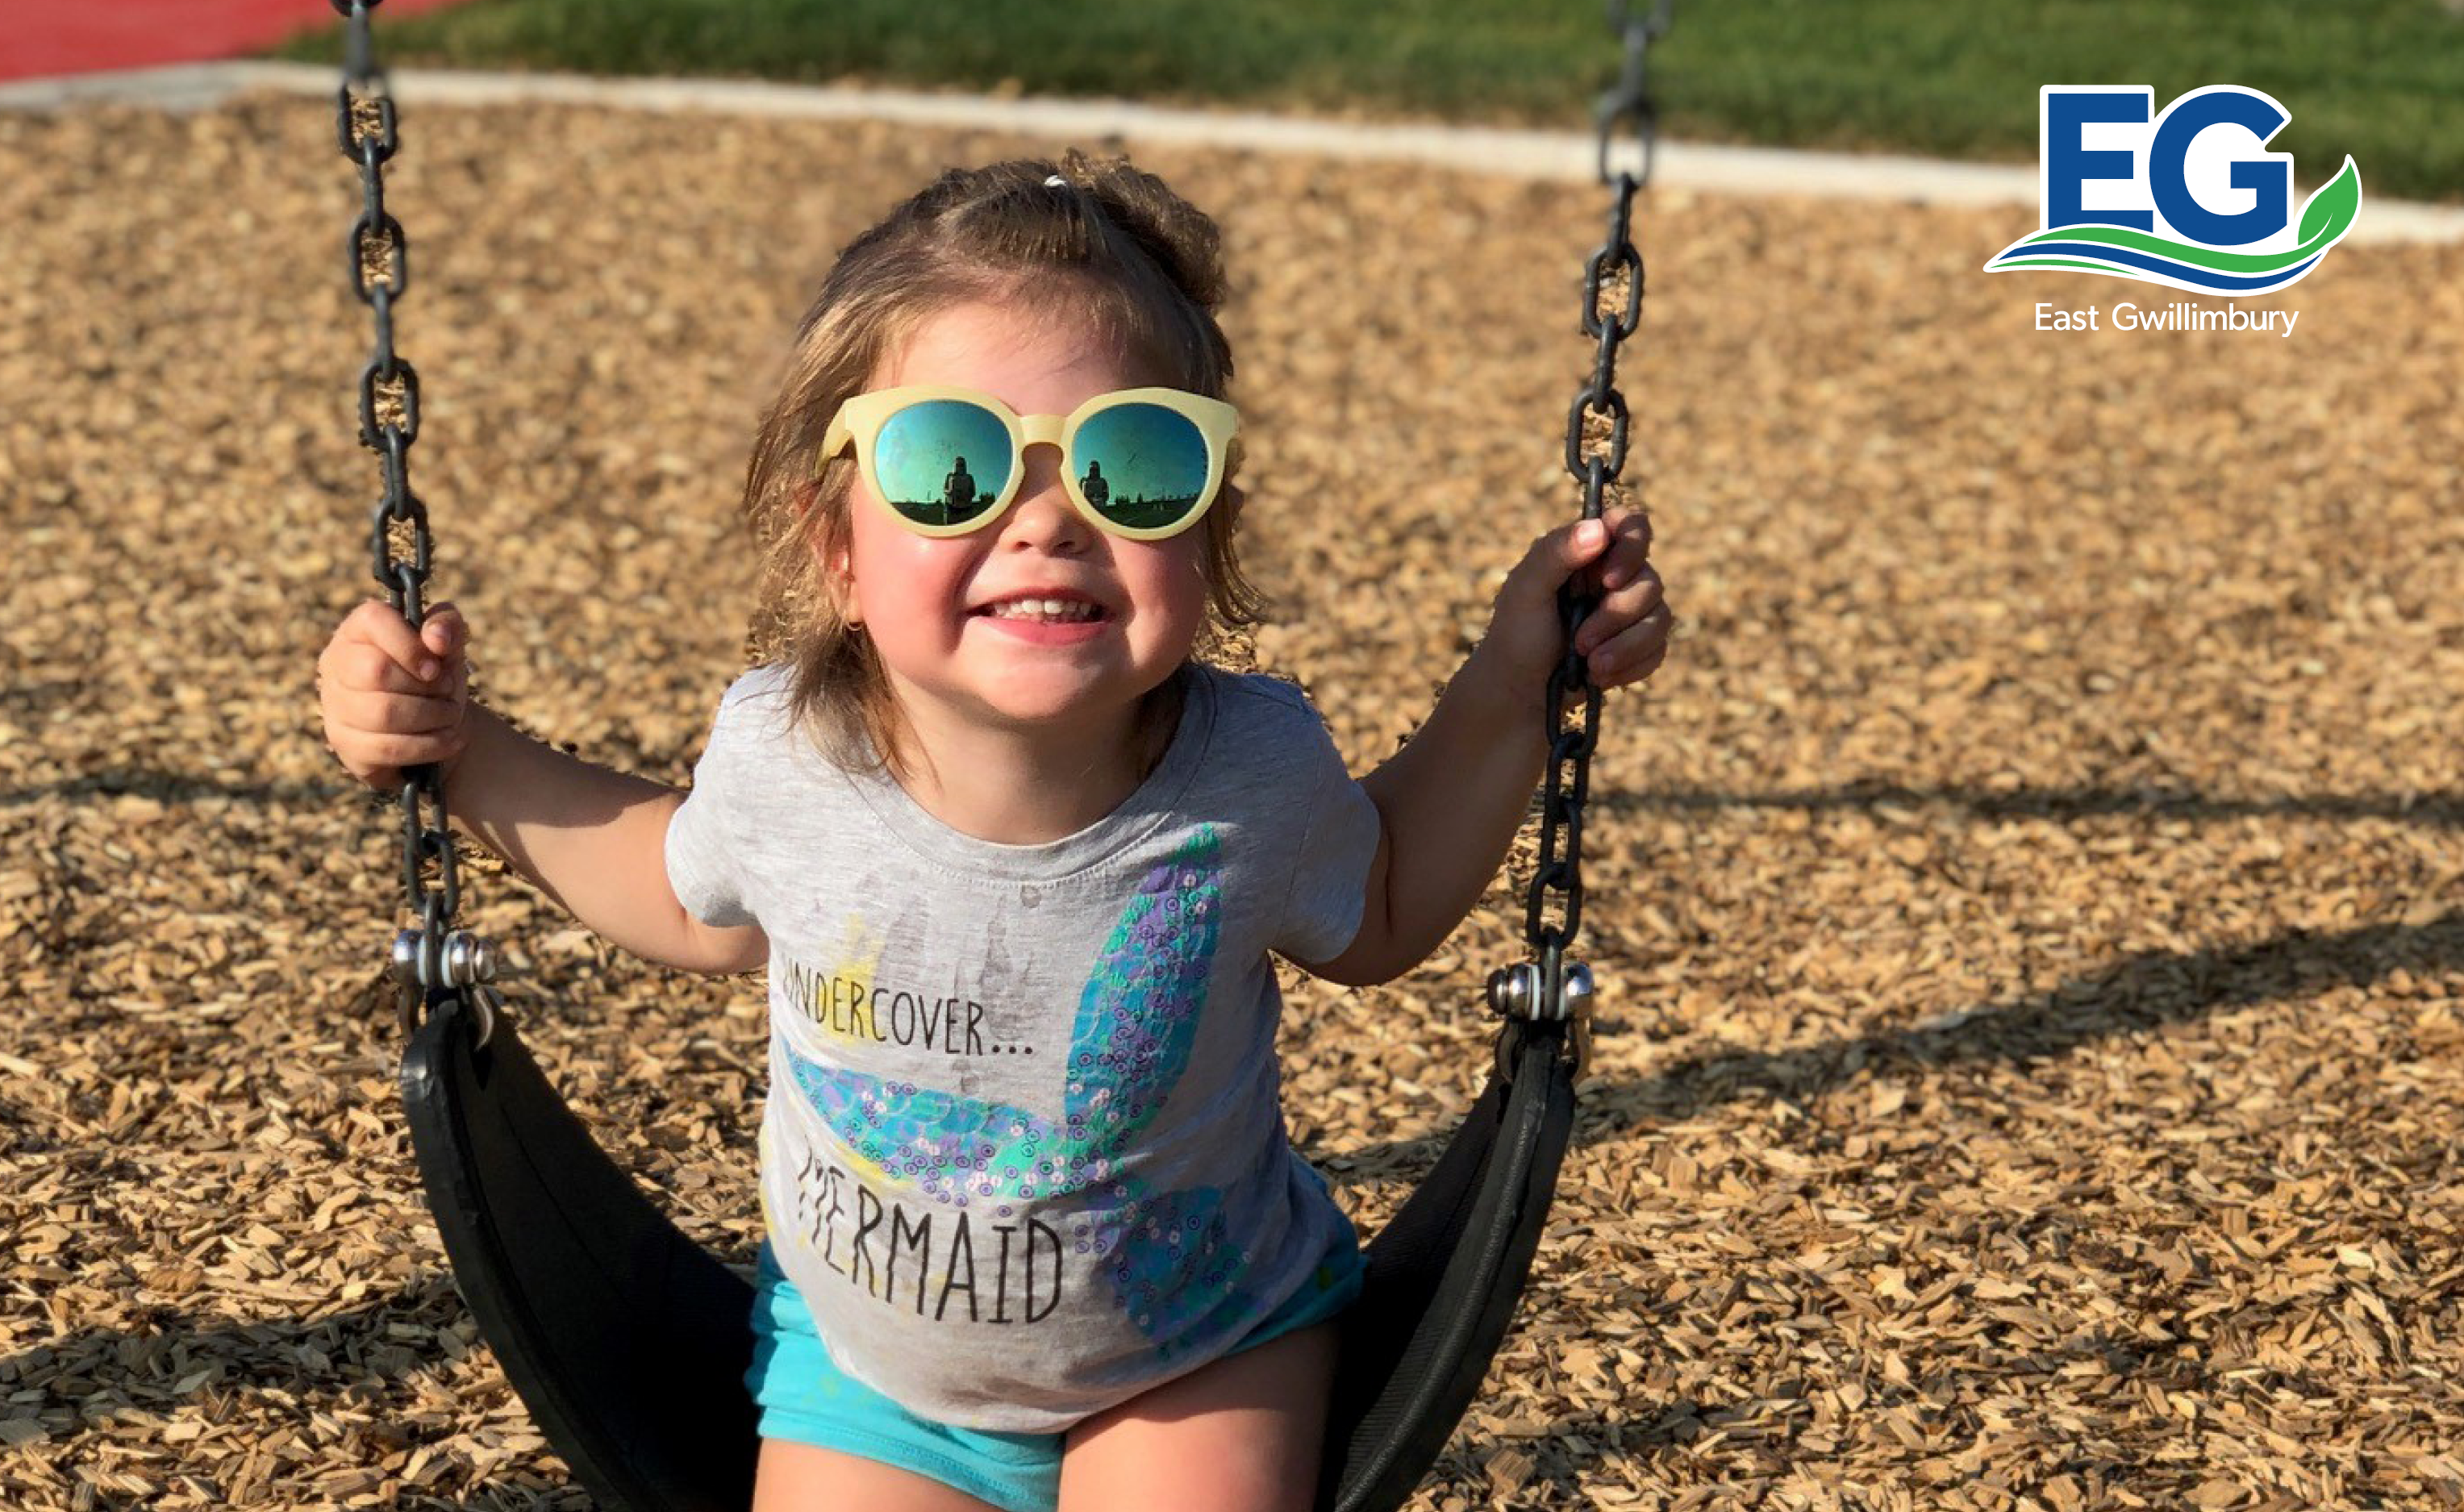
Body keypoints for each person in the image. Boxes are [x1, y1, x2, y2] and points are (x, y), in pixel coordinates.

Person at [316, 152, 1671, 1512]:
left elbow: (1376, 914)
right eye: (945, 463)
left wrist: (1513, 679)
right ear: (837, 544)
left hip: (1198, 1348)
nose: (1044, 520)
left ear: (1210, 530)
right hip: (870, 1384)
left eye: (1133, 461)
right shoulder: (789, 758)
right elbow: (684, 898)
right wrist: (462, 751)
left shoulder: (1246, 769)